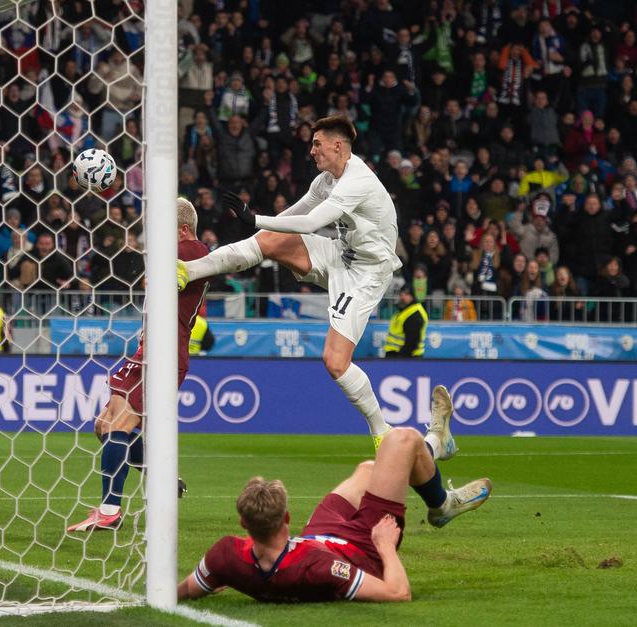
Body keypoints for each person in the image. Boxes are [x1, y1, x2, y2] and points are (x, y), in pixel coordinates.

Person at [177, 116, 402, 449]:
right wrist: (258, 229)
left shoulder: (358, 181)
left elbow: (311, 223)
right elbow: (292, 217)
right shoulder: (325, 180)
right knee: (269, 240)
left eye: (317, 144)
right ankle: (188, 270)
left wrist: (256, 218)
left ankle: (381, 431)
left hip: (368, 273)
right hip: (340, 253)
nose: (311, 151)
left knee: (335, 361)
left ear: (337, 145)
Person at [178, 392, 491, 603]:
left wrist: (214, 579)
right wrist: (384, 546)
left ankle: (435, 454)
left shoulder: (226, 557)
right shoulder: (317, 567)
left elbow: (187, 589)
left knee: (370, 470)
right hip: (363, 546)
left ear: (243, 523)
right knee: (401, 440)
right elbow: (398, 593)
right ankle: (440, 490)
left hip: (319, 536)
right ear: (287, 517)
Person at [67, 198, 209, 532]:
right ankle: (162, 477)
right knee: (103, 425)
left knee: (118, 425)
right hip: (149, 350)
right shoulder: (177, 253)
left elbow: (152, 282)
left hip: (163, 353)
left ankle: (109, 510)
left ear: (183, 229)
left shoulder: (193, 250)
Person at [384, 285, 428, 358]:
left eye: (406, 294)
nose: (402, 297)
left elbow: (412, 342)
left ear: (413, 296)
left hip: (406, 358)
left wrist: (400, 359)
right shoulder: (404, 310)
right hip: (397, 357)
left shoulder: (414, 314)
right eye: (401, 294)